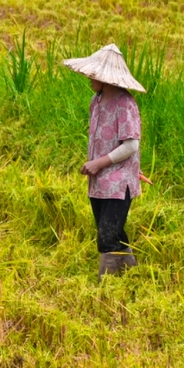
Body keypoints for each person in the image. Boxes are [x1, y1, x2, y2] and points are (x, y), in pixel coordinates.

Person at [62, 43, 145, 277]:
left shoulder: (125, 104)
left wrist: (98, 163)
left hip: (119, 183)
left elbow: (131, 145)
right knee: (112, 232)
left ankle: (106, 285)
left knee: (106, 237)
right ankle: (131, 275)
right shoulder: (95, 101)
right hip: (100, 182)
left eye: (93, 75)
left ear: (105, 78)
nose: (89, 78)